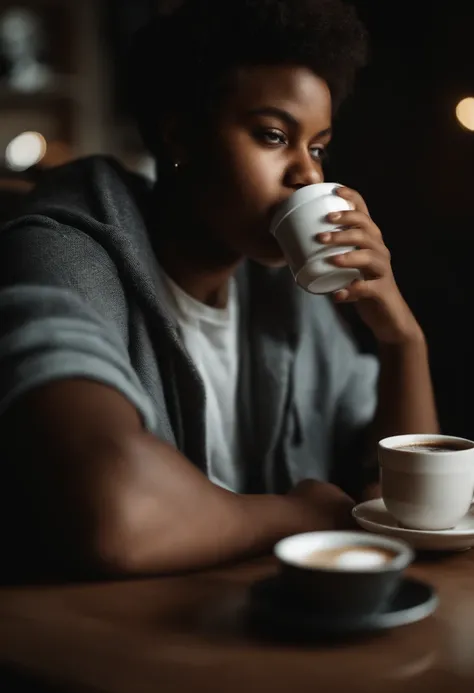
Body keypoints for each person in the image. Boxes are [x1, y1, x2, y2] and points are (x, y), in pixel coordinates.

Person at [0, 0, 438, 578]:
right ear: (180, 137)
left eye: (318, 147)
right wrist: (297, 515)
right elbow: (114, 515)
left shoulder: (280, 288)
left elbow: (407, 498)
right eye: (274, 135)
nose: (309, 175)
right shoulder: (63, 250)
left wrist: (401, 339)